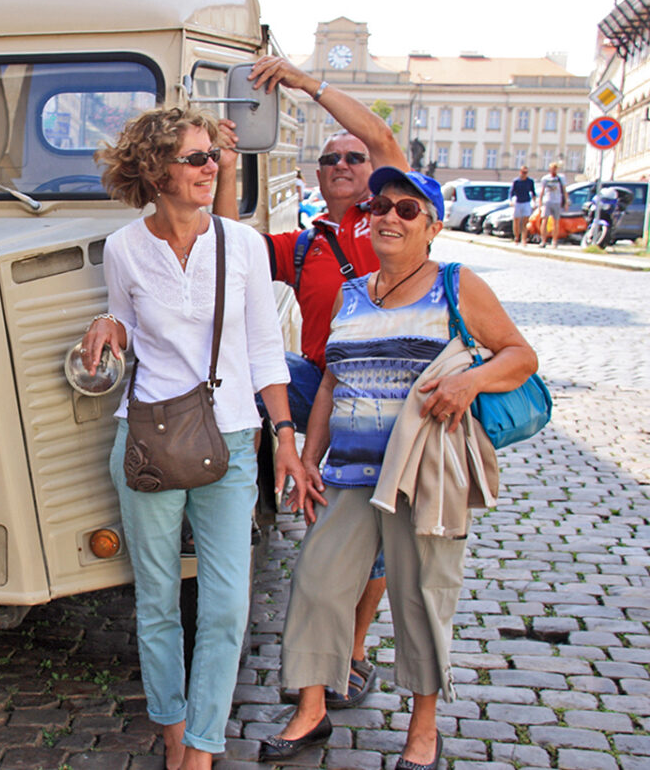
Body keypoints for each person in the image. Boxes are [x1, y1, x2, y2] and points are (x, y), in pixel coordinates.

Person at [259, 166, 537, 768]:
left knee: (419, 596)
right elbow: (332, 380)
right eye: (381, 205)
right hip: (349, 474)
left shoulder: (457, 286)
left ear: (432, 227)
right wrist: (309, 459)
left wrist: (469, 382)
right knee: (317, 583)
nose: (389, 216)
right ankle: (311, 712)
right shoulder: (352, 294)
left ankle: (423, 729)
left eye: (407, 210)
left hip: (423, 473)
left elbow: (521, 356)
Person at [80, 106, 304, 770]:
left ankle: (203, 748)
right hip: (147, 436)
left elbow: (266, 351)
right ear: (156, 170)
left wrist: (284, 435)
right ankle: (174, 731)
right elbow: (126, 319)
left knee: (227, 604)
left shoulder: (244, 246)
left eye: (214, 157)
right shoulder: (122, 248)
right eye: (197, 158)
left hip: (233, 439)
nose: (213, 168)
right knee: (155, 601)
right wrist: (108, 326)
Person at [213, 54, 408, 710]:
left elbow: (383, 141)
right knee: (241, 366)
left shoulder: (391, 220)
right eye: (332, 161)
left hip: (387, 393)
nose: (347, 165)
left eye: (355, 158)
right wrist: (223, 161)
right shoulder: (304, 245)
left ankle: (352, 649)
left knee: (376, 527)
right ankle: (252, 480)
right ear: (317, 177)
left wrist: (305, 83)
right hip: (322, 380)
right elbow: (227, 243)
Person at [537, 162, 566, 248]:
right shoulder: (545, 178)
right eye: (552, 168)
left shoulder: (561, 178)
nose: (554, 170)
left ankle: (554, 241)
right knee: (544, 220)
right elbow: (542, 191)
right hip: (547, 201)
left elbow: (564, 190)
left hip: (557, 201)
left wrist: (566, 202)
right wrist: (540, 203)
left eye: (555, 168)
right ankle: (543, 241)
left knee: (556, 221)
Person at [509, 165, 536, 245]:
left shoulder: (530, 181)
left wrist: (534, 202)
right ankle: (516, 237)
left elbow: (533, 192)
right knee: (516, 220)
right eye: (523, 172)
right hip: (518, 202)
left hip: (526, 202)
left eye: (526, 172)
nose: (524, 174)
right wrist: (511, 201)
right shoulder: (516, 181)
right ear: (520, 172)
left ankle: (524, 239)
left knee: (525, 221)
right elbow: (511, 192)